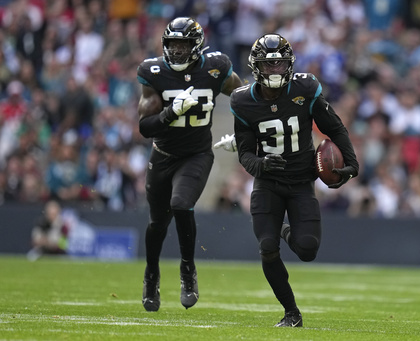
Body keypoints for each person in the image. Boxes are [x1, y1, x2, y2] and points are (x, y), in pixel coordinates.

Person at [215, 34, 358, 327]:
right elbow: (245, 155)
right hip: (268, 183)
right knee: (267, 248)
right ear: (256, 67)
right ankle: (291, 312)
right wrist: (262, 163)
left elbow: (335, 127)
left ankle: (282, 229)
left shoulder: (305, 88)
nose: (275, 71)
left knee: (307, 250)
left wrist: (352, 163)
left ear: (290, 64)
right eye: (268, 65)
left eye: (280, 64)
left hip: (301, 180)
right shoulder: (243, 101)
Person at [136, 17, 242, 312]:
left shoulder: (215, 67)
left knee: (181, 203)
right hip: (163, 155)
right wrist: (170, 113)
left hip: (196, 154)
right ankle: (151, 274)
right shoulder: (153, 71)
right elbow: (145, 127)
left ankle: (187, 269)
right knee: (157, 223)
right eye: (173, 44)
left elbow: (246, 97)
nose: (178, 50)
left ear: (197, 46)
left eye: (184, 44)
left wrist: (246, 133)